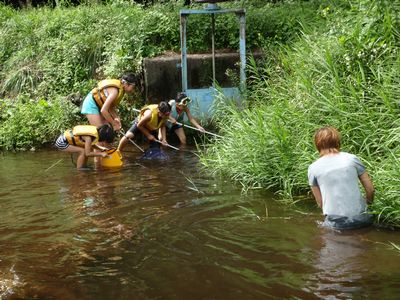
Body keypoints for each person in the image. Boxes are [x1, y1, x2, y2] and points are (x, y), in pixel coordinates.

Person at [308, 126, 375, 230]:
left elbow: (320, 203)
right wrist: (368, 206)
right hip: (363, 219)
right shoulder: (352, 159)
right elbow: (370, 189)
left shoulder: (313, 168)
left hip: (337, 224)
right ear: (337, 141)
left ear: (317, 145)